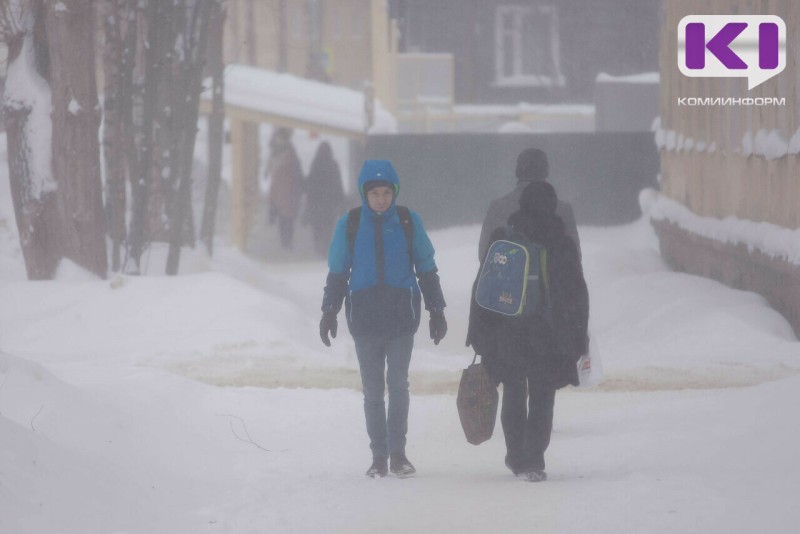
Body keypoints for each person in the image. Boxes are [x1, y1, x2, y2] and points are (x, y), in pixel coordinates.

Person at [319, 159, 448, 478]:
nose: (380, 199)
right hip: (364, 319)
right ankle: (378, 455)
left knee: (398, 385)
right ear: (365, 193)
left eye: (386, 192)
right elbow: (337, 270)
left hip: (400, 318)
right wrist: (329, 312)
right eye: (374, 193)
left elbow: (427, 267)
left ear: (394, 192)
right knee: (373, 390)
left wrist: (437, 309)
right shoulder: (349, 223)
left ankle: (398, 453)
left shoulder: (407, 221)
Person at [467, 181, 589, 482]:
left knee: (514, 389)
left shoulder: (505, 238)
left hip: (510, 331)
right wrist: (578, 335)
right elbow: (577, 293)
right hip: (547, 333)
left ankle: (516, 456)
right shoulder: (561, 242)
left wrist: (479, 331)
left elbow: (483, 286)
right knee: (543, 395)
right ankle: (534, 458)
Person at [478, 147, 581, 262]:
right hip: (553, 278)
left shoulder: (498, 207)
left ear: (518, 171)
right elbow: (574, 257)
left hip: (509, 277)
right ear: (546, 171)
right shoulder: (563, 210)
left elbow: (484, 254)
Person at [304, 141, 345, 255]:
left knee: (317, 225)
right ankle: (325, 246)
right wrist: (340, 201)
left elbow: (310, 183)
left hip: (316, 202)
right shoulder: (333, 164)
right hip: (329, 203)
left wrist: (310, 198)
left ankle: (318, 245)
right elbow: (338, 184)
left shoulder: (315, 164)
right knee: (328, 225)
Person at [266, 128, 304, 249]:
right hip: (291, 197)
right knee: (289, 220)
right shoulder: (293, 162)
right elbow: (298, 178)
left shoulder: (280, 166)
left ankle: (285, 242)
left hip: (282, 198)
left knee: (284, 220)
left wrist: (273, 199)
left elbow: (275, 184)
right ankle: (288, 241)